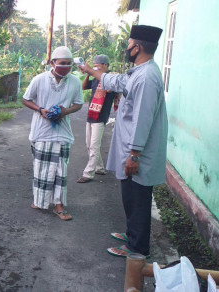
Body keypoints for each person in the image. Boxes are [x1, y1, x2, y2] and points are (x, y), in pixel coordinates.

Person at [79, 25, 167, 258]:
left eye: (128, 44)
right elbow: (113, 80)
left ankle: (137, 248)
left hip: (138, 153)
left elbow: (142, 118)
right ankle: (132, 234)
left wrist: (134, 154)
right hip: (132, 150)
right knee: (130, 196)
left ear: (137, 48)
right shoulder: (138, 72)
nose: (126, 48)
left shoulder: (146, 77)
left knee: (138, 199)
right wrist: (89, 69)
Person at [22, 46, 84, 221]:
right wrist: (40, 109)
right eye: (62, 63)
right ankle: (40, 201)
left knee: (60, 170)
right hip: (41, 132)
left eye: (69, 64)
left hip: (62, 133)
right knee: (41, 169)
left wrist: (66, 111)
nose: (66, 67)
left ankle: (58, 205)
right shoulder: (39, 80)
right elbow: (26, 99)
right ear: (52, 63)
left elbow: (79, 104)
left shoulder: (74, 82)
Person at [77, 55, 121, 183]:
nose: (95, 67)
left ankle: (88, 173)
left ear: (106, 65)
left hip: (101, 116)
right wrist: (87, 74)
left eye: (98, 65)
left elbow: (108, 89)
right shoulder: (95, 78)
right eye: (94, 65)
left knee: (94, 146)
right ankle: (100, 168)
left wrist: (93, 72)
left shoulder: (111, 78)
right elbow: (84, 87)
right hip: (91, 114)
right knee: (89, 144)